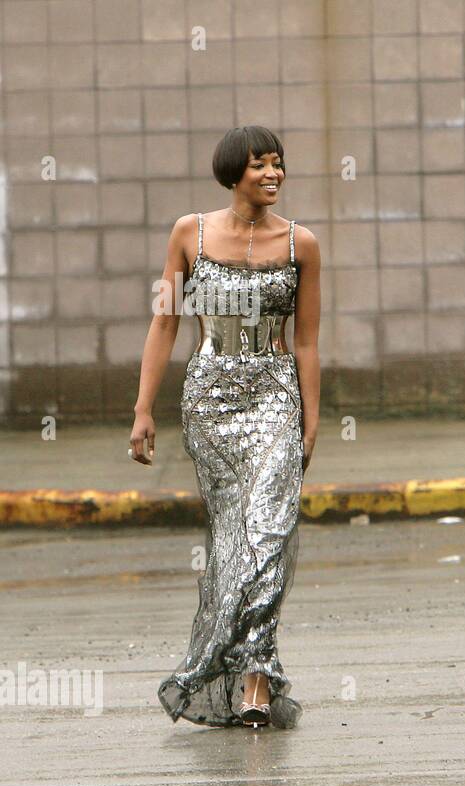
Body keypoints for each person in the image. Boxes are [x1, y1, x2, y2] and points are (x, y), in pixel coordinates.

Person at [130, 125, 321, 729]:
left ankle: (256, 683)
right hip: (209, 403)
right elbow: (164, 324)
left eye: (279, 164)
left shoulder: (302, 244)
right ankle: (220, 665)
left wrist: (310, 422)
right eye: (261, 164)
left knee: (270, 534)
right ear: (233, 171)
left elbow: (308, 342)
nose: (274, 174)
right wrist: (143, 410)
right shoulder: (190, 232)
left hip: (274, 398)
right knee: (233, 542)